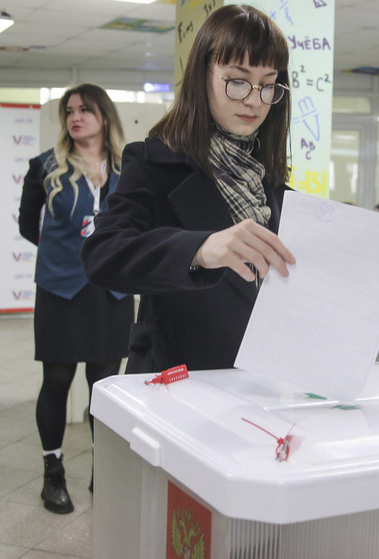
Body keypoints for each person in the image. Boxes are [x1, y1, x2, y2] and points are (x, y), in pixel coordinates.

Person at [80, 5, 295, 375]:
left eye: (268, 85)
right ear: (202, 75)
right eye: (237, 81)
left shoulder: (270, 181)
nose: (254, 99)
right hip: (180, 377)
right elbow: (103, 255)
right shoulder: (154, 163)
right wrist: (199, 249)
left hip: (264, 378)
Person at [18, 83, 135, 514]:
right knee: (56, 381)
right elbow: (28, 224)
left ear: (104, 115)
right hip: (60, 289)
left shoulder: (129, 167)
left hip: (112, 290)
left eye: (85, 109)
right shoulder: (44, 166)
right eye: (69, 111)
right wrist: (65, 254)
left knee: (104, 388)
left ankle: (105, 469)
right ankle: (53, 473)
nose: (75, 117)